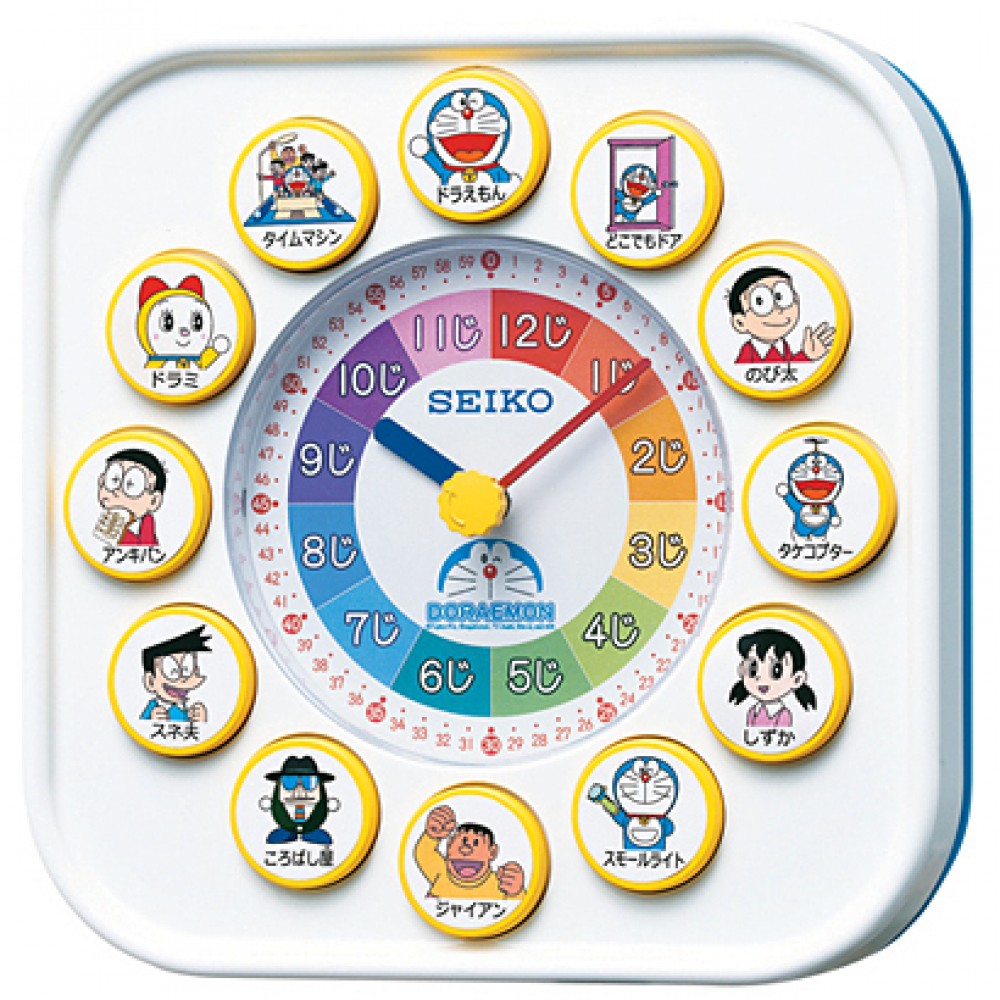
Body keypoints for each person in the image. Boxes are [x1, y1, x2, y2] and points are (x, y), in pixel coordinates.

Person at [414, 803, 525, 900]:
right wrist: (432, 836)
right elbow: (424, 852)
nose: (466, 850)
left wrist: (515, 892)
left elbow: (516, 905)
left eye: (476, 843)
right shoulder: (441, 872)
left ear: (492, 852)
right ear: (448, 846)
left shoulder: (499, 885)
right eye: (462, 842)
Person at [728, 266, 834, 365]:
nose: (778, 310)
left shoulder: (783, 347)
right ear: (740, 322)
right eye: (760, 302)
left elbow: (790, 368)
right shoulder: (748, 351)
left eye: (782, 297)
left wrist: (808, 356)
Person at [728, 627, 817, 727]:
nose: (760, 677)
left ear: (797, 679)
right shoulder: (753, 711)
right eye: (753, 669)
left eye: (776, 671)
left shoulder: (783, 715)